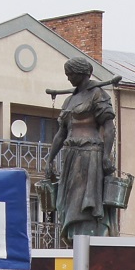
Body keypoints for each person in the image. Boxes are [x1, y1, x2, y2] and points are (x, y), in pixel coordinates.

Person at [47, 56, 117, 244]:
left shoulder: (98, 95)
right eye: (67, 74)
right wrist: (50, 159)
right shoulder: (69, 100)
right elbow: (61, 134)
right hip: (71, 155)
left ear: (82, 73)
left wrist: (106, 156)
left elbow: (109, 128)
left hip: (90, 154)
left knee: (85, 201)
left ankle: (89, 235)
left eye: (70, 74)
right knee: (69, 201)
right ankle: (74, 238)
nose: (68, 78)